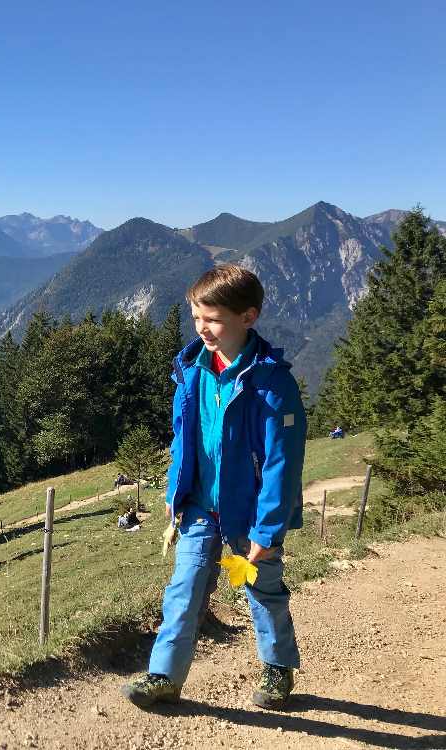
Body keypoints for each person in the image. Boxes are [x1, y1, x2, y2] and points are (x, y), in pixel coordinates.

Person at [121, 264, 307, 711]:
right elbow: (182, 436)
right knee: (183, 588)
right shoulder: (190, 369)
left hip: (250, 514)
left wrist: (268, 531)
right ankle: (164, 676)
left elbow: (283, 463)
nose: (203, 327)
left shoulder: (272, 384)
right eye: (197, 316)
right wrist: (173, 491)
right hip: (201, 506)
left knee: (263, 591)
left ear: (248, 317)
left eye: (214, 319)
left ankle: (278, 667)